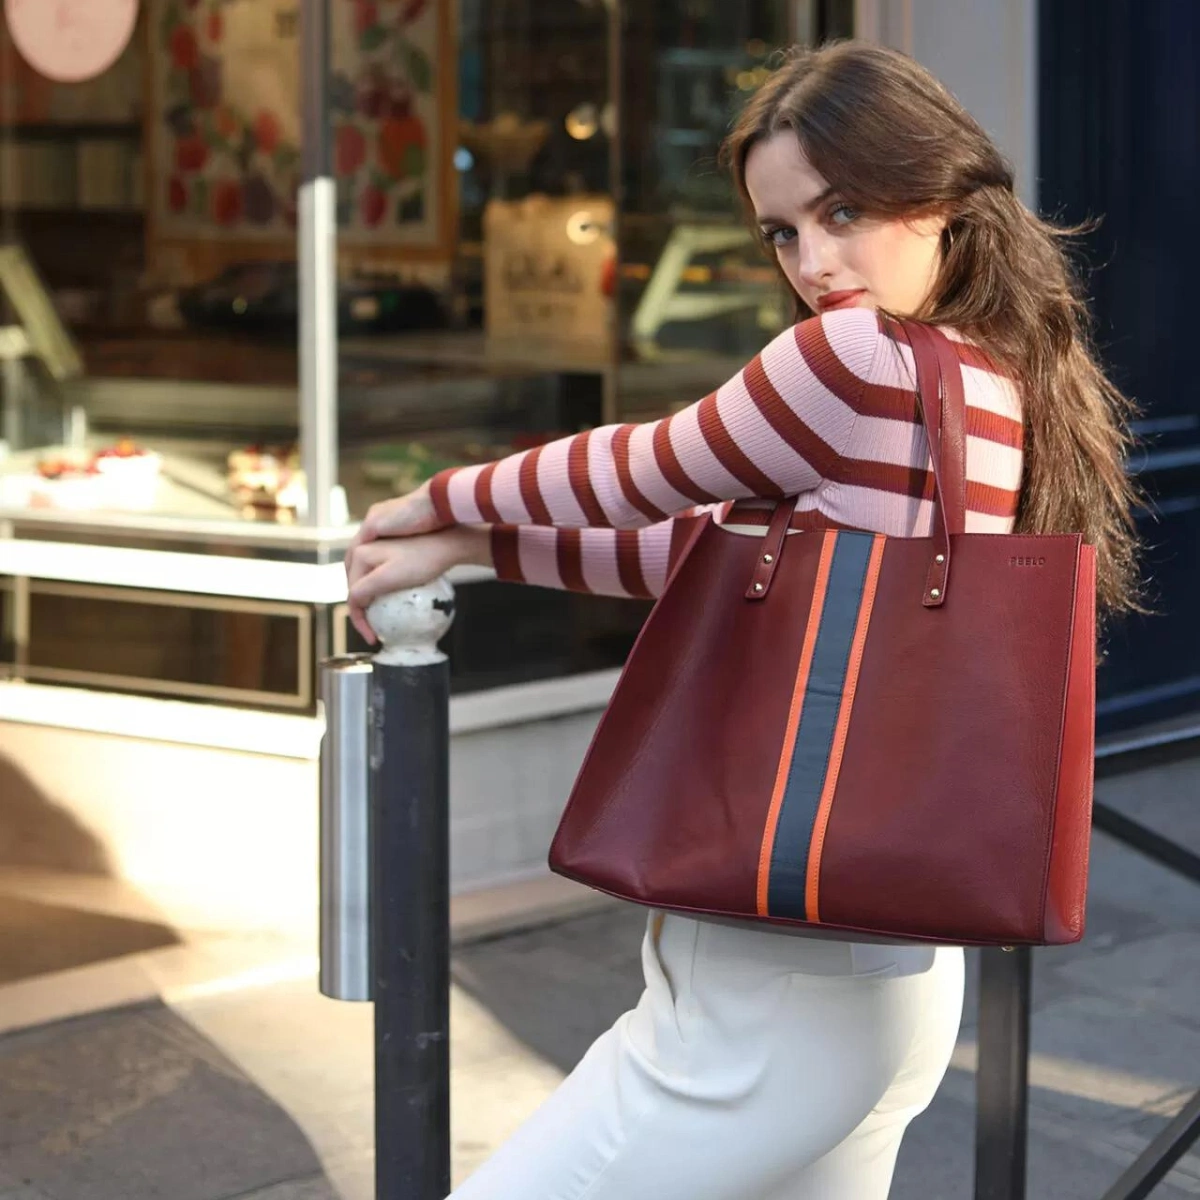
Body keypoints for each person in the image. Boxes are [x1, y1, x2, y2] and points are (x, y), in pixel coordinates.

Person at [344, 40, 1140, 1200]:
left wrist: (430, 499)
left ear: (943, 194)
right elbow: (698, 553)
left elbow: (640, 471)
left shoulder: (857, 358)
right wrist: (476, 544)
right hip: (889, 987)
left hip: (762, 1007)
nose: (815, 260)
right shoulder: (984, 374)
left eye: (846, 210)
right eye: (783, 231)